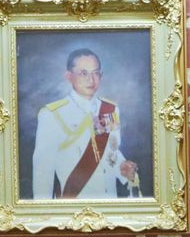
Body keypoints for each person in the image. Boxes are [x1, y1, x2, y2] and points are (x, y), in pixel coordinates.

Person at [31, 47, 139, 200]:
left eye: (96, 73)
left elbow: (110, 152)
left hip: (110, 204)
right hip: (72, 206)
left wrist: (121, 167)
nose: (91, 80)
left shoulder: (111, 109)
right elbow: (43, 171)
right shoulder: (52, 115)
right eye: (83, 73)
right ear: (69, 76)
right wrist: (44, 214)